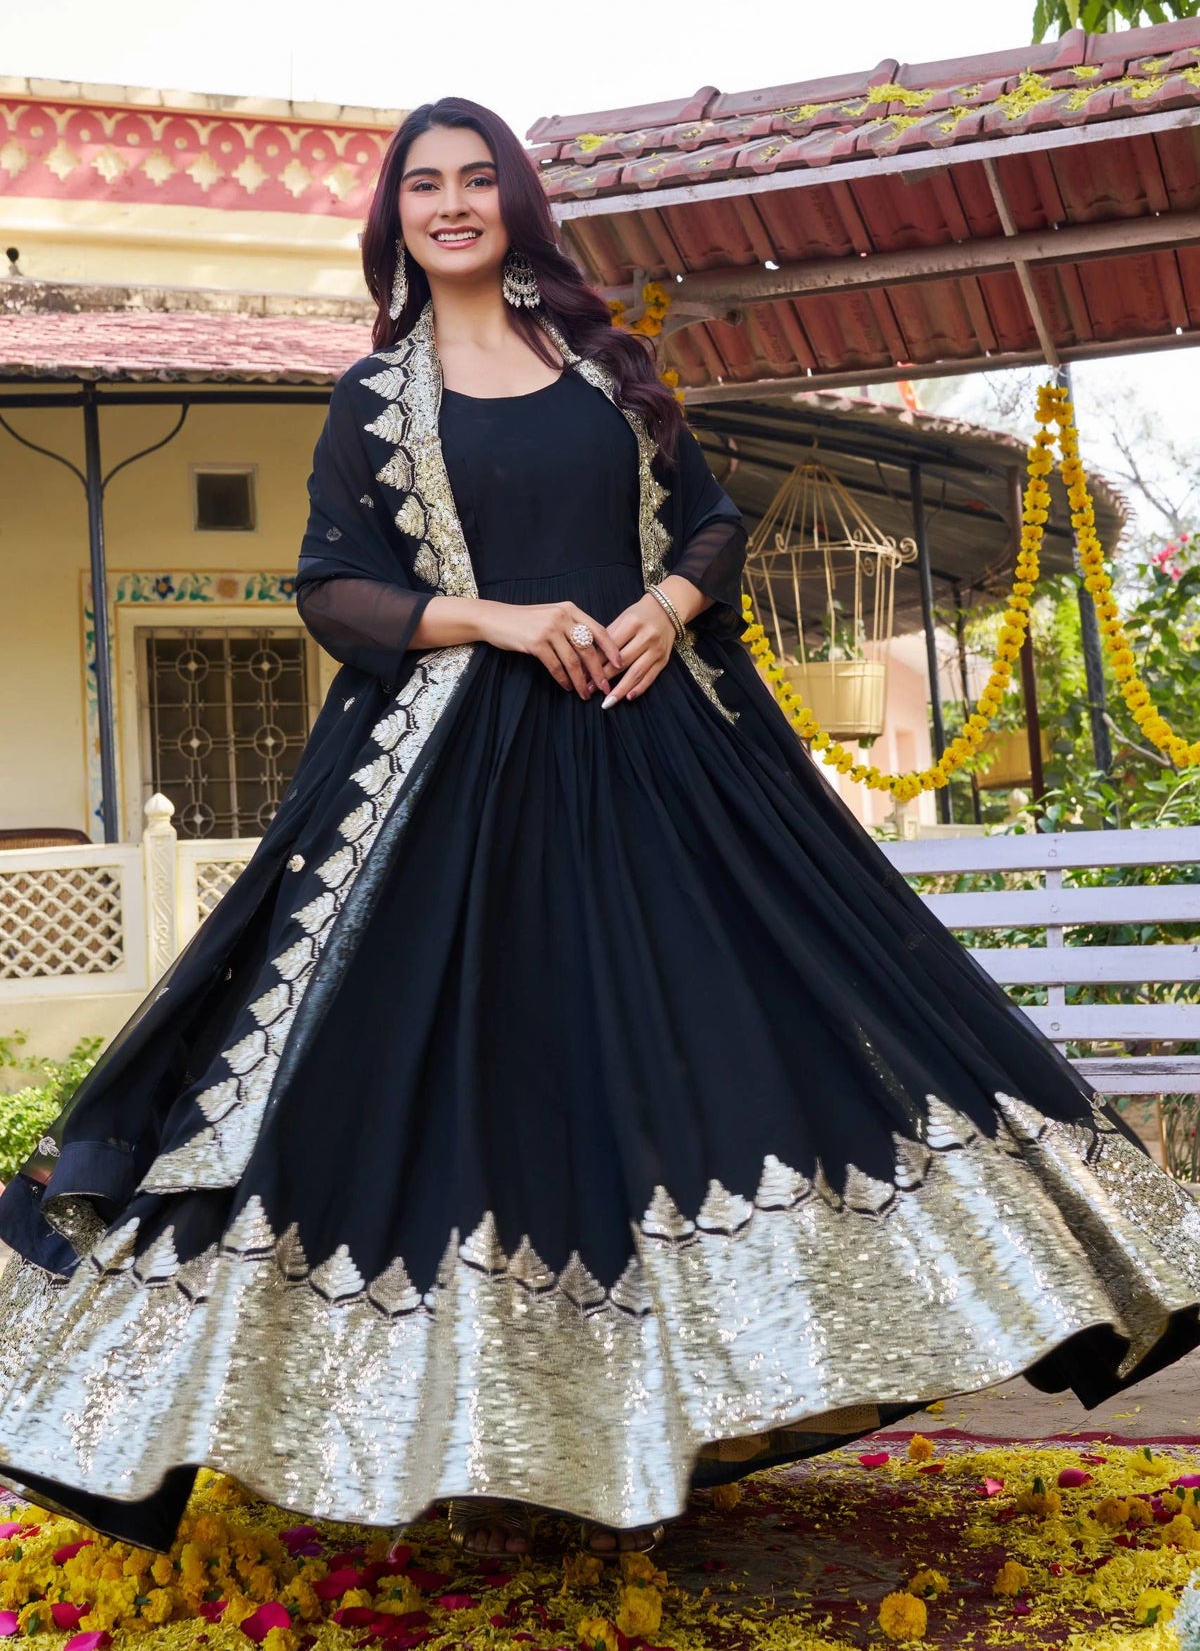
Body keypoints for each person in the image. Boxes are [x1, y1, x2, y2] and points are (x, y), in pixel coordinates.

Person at [1, 97, 1199, 1566]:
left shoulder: (612, 372)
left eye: (474, 180)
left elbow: (709, 522)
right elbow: (331, 587)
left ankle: (680, 1410)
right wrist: (495, 616)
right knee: (444, 1078)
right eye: (421, 185)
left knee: (726, 1044)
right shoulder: (375, 397)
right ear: (395, 218)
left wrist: (669, 605)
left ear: (513, 202)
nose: (451, 204)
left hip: (656, 766)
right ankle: (474, 1430)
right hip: (453, 791)